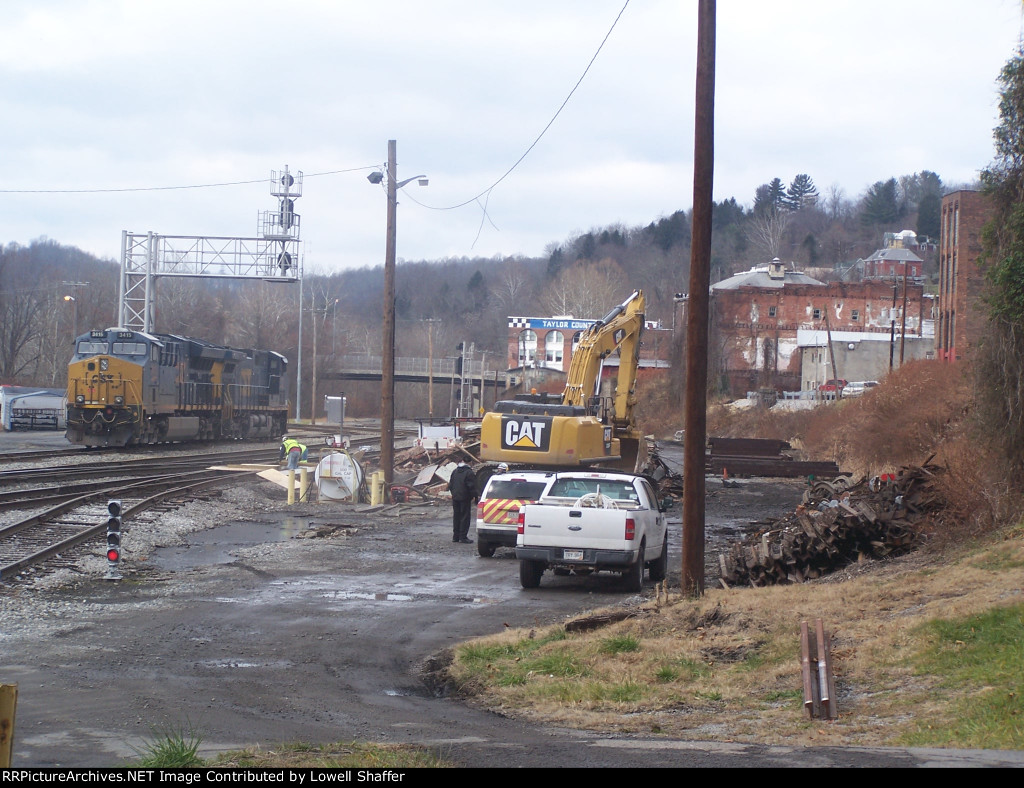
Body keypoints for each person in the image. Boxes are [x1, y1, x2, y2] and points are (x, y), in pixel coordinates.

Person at [448, 459, 477, 543]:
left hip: (455, 497)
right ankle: (463, 537)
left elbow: (450, 484)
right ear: (470, 462)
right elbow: (471, 486)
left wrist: (454, 493)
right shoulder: (469, 473)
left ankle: (455, 537)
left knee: (456, 516)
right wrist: (474, 497)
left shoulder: (455, 471)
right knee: (465, 517)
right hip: (465, 498)